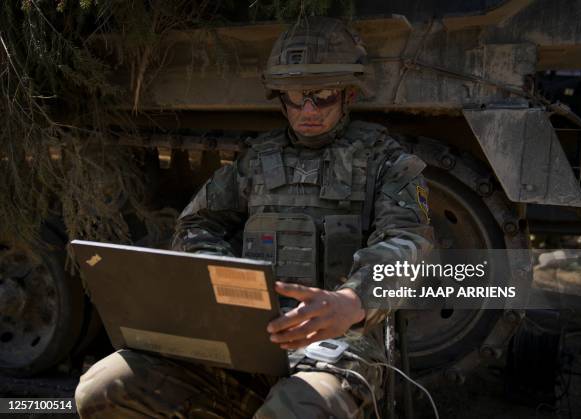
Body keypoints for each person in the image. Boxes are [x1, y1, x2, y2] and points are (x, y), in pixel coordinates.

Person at [74, 16, 434, 419]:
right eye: (295, 96)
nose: (308, 109)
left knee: (299, 409)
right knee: (105, 387)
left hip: (338, 342)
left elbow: (410, 246)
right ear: (279, 97)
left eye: (323, 94)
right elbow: (196, 224)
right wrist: (224, 280)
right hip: (248, 336)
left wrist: (353, 300)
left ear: (349, 94)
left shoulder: (388, 163)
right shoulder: (256, 161)